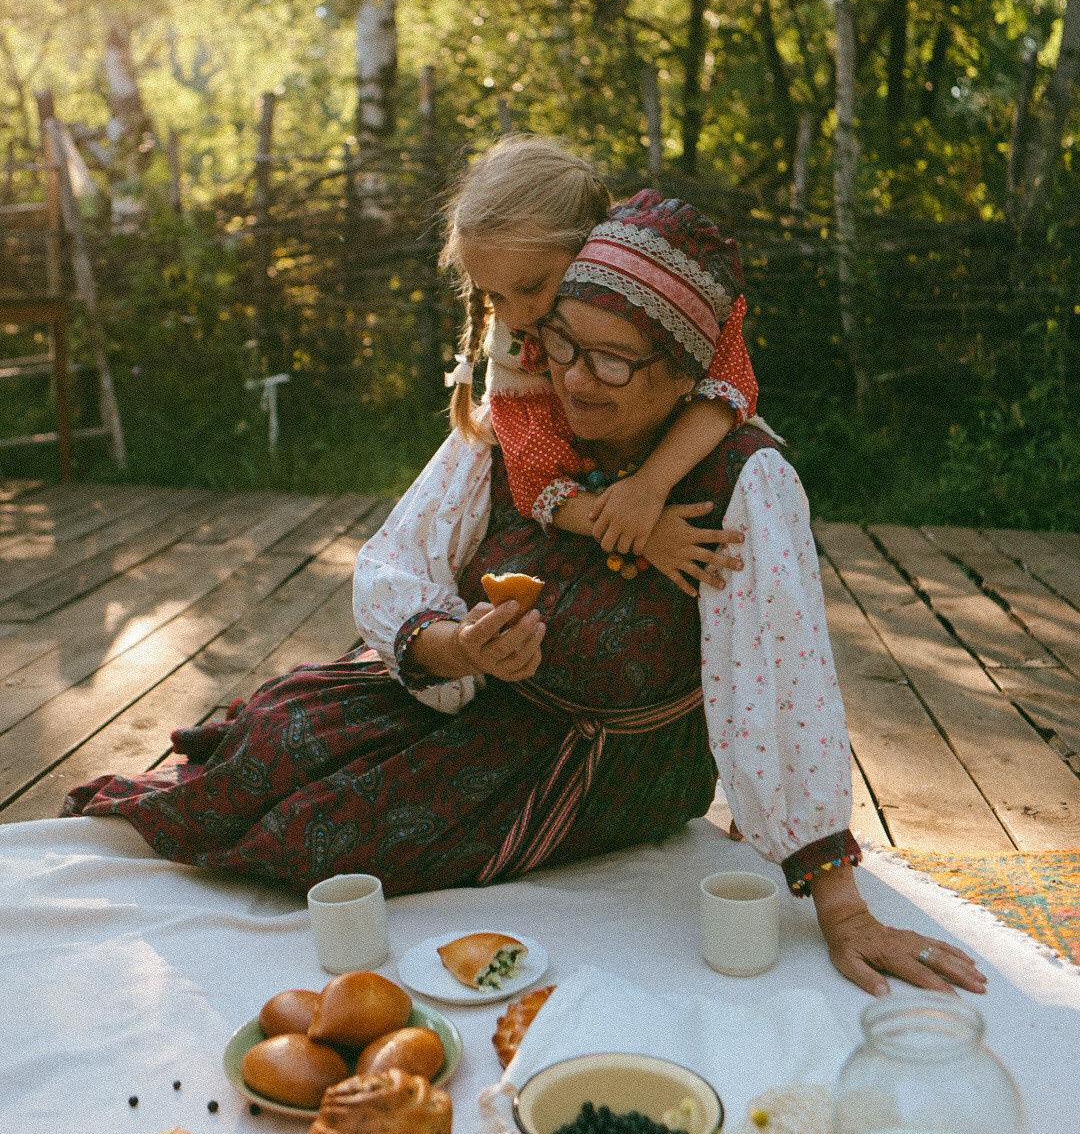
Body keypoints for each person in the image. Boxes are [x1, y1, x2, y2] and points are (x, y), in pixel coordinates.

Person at [63, 189, 984, 1001]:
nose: (574, 376)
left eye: (613, 362)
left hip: (593, 761)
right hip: (476, 695)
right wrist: (457, 647)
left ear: (685, 371)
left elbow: (780, 685)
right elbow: (396, 561)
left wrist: (840, 905)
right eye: (565, 343)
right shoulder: (529, 412)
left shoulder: (743, 483)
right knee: (272, 732)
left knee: (320, 837)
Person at [442, 135, 757, 585]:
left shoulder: (661, 282)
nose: (514, 315)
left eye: (531, 288)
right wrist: (643, 533)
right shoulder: (514, 357)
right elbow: (536, 482)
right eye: (495, 296)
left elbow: (728, 390)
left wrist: (651, 484)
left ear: (590, 246)